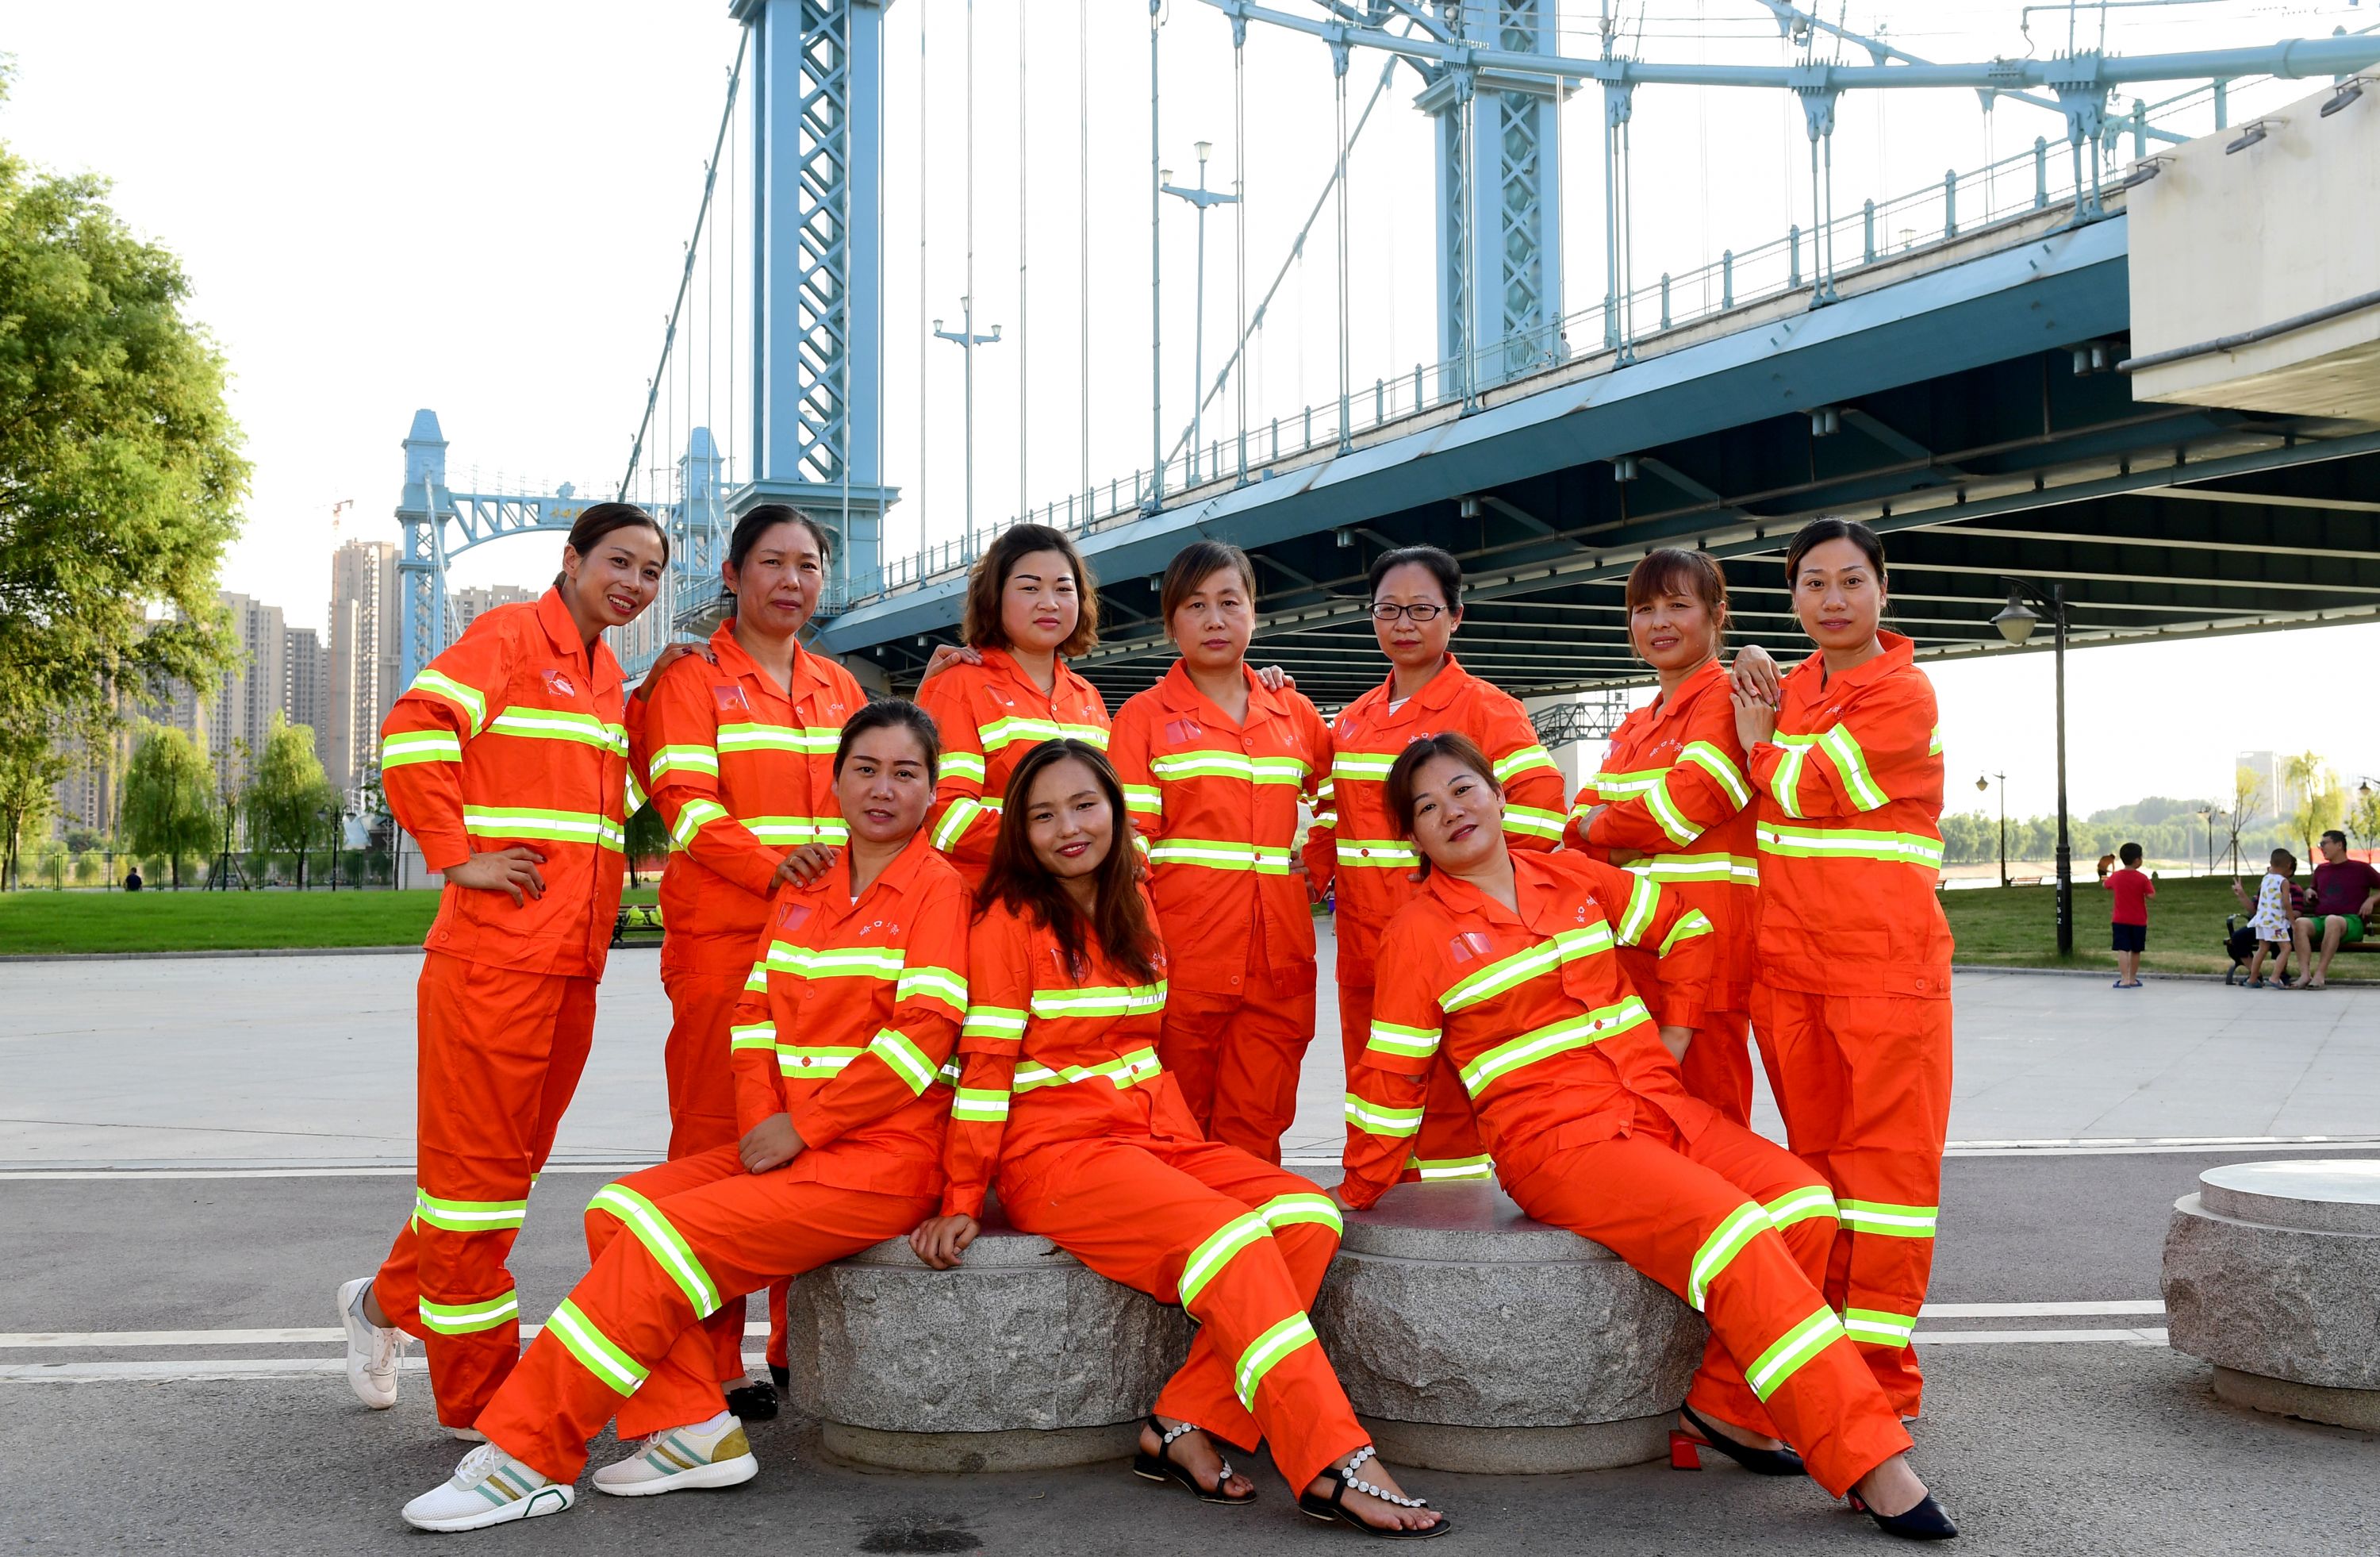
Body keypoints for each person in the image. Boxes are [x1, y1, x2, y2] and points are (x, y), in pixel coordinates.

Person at [1341, 734, 1953, 1540]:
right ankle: (1871, 1460)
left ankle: (1725, 1411)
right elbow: (1392, 1078)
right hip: (1559, 1144)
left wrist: (1674, 1034)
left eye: (1462, 789)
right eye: (1425, 808)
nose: (1452, 811)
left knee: (1804, 1204)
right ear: (1411, 839)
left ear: (1497, 795)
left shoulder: (1569, 877)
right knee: (1733, 1233)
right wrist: (1354, 1192)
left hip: (1655, 1103)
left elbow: (1686, 927)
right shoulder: (1418, 933)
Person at [398, 702, 969, 1532]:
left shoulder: (938, 891)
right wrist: (761, 1121)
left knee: (663, 1250)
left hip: (880, 1162)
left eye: (905, 773)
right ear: (836, 779)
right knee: (619, 1213)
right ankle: (695, 1428)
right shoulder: (806, 884)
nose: (884, 789)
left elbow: (923, 1040)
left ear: (932, 789)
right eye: (866, 769)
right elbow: (754, 1014)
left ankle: (527, 1455)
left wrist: (801, 1128)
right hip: (792, 1145)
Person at [908, 739, 1447, 1537]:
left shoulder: (1133, 902)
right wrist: (961, 1197)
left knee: (1306, 1217)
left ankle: (1185, 1422)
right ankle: (1333, 1457)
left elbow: (1146, 1046)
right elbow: (985, 1068)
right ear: (1020, 832)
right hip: (1058, 1157)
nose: (1069, 828)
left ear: (1116, 812)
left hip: (1152, 1136)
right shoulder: (1008, 921)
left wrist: (1182, 1155)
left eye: (1085, 806)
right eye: (1043, 815)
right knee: (1231, 1239)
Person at [338, 503, 668, 1437]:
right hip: (492, 963)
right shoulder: (512, 636)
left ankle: (376, 1306)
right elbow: (414, 729)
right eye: (619, 561)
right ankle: (486, 1408)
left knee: (497, 1180)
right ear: (570, 560)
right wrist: (455, 853)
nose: (635, 584)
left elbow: (607, 800)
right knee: (476, 1189)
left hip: (570, 971)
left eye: (650, 571)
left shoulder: (607, 680)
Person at [626, 504, 864, 1416]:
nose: (793, 580)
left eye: (809, 565)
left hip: (827, 957)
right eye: (773, 562)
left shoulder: (840, 687)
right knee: (719, 1151)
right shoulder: (690, 679)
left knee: (815, 1147)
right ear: (732, 574)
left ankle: (794, 1345)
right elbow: (684, 804)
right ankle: (709, 1361)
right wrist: (775, 871)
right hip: (726, 945)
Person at [1729, 517, 1953, 1422]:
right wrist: (1756, 683)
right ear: (1793, 598)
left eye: (1851, 581)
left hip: (1884, 973)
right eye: (1813, 583)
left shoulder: (1905, 695)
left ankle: (1880, 1383)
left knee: (1889, 1184)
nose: (1833, 599)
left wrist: (1762, 741)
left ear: (1883, 592)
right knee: (1815, 1176)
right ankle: (1822, 1367)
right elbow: (1719, 688)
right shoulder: (1791, 688)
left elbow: (1803, 789)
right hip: (1790, 973)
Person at [1311, 544, 1567, 1187]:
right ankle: (1384, 1214)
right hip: (1365, 947)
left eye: (1422, 609)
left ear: (1455, 616)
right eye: (1388, 609)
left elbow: (1539, 814)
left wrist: (1474, 904)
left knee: (1451, 1110)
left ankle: (1453, 1249)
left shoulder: (1487, 710)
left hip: (1447, 946)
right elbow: (1326, 813)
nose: (1403, 623)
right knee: (1377, 1085)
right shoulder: (1355, 719)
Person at [1108, 541, 1335, 1161]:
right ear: (1170, 623)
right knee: (1178, 1127)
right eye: (1195, 605)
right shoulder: (1143, 719)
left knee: (1258, 1127)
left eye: (1230, 603)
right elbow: (1128, 852)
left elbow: (1347, 801)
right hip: (1186, 956)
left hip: (1279, 957)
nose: (1214, 620)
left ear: (1254, 613)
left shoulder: (1294, 712)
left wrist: (1316, 867)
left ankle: (1258, 1242)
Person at [1565, 548, 1760, 1123]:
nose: (1659, 623)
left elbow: (1686, 806)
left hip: (1708, 945)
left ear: (1718, 614)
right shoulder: (1639, 722)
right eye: (1643, 609)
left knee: (1709, 1113)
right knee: (1650, 1111)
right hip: (1637, 944)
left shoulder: (1728, 701)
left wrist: (1607, 828)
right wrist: (1606, 829)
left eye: (1678, 605)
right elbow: (1577, 825)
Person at [914, 524, 1113, 889]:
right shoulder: (957, 686)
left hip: (1080, 908)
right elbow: (943, 816)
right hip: (993, 905)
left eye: (1064, 589)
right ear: (995, 598)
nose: (1049, 602)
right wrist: (1048, 837)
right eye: (1030, 587)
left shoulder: (1088, 698)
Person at [2286, 828, 2380, 990]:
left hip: (2352, 921)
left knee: (2333, 920)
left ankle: (2320, 975)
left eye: (2324, 843)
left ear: (2339, 845)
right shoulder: (2321, 870)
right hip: (2324, 920)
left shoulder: (2361, 869)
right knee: (2300, 922)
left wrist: (2372, 899)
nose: (2321, 847)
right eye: (2320, 844)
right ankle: (2305, 975)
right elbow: (2312, 888)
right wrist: (2310, 891)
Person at [2229, 848, 2296, 988]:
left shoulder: (2265, 879)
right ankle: (2275, 977)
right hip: (2276, 922)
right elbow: (2286, 903)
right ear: (2289, 865)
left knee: (2262, 949)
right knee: (2286, 948)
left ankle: (2253, 979)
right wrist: (2292, 922)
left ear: (2271, 863)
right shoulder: (2284, 882)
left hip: (2261, 921)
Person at [2104, 842, 2154, 989]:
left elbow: (2105, 885)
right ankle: (2132, 978)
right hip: (2139, 920)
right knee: (2136, 950)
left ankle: (2124, 979)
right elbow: (2151, 895)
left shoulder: (2117, 876)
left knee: (2123, 949)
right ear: (2137, 860)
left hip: (2120, 919)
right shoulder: (2142, 878)